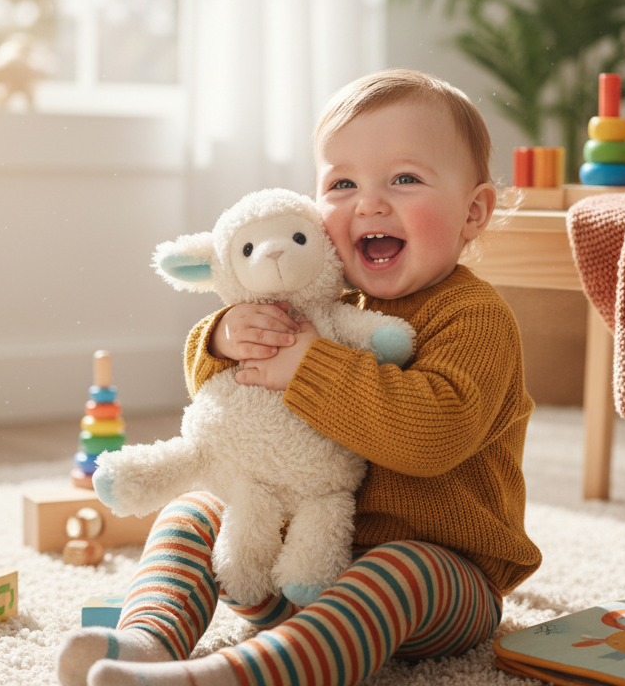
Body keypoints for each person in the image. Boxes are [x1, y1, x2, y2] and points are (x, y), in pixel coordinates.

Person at [58, 68, 542, 686]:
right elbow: (224, 397)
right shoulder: (322, 297)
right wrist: (226, 336)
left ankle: (239, 674)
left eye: (405, 179)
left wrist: (311, 365)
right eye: (342, 183)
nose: (368, 202)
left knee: (395, 570)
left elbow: (432, 435)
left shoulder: (475, 317)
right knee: (193, 509)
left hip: (442, 582)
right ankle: (147, 639)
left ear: (473, 211)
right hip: (291, 562)